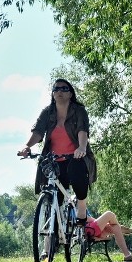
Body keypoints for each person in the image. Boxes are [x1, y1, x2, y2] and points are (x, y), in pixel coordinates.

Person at [18, 79, 97, 224]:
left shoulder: (78, 111)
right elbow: (38, 132)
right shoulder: (47, 113)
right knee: (54, 198)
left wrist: (81, 148)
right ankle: (50, 239)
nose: (59, 91)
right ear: (53, 93)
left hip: (74, 157)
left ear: (71, 93)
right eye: (56, 89)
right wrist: (27, 146)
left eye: (64, 89)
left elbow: (82, 130)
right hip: (54, 161)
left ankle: (81, 206)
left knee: (77, 167)